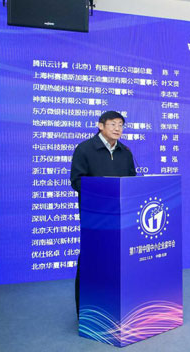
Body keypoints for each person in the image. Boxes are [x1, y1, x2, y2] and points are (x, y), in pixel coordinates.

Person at [70, 111, 136, 317]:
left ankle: (116, 308)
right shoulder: (84, 149)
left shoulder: (125, 152)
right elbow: (76, 181)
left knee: (118, 260)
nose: (118, 128)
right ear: (100, 126)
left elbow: (132, 181)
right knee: (92, 260)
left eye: (121, 125)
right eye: (113, 124)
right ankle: (86, 313)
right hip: (95, 217)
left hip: (121, 217)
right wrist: (104, 191)